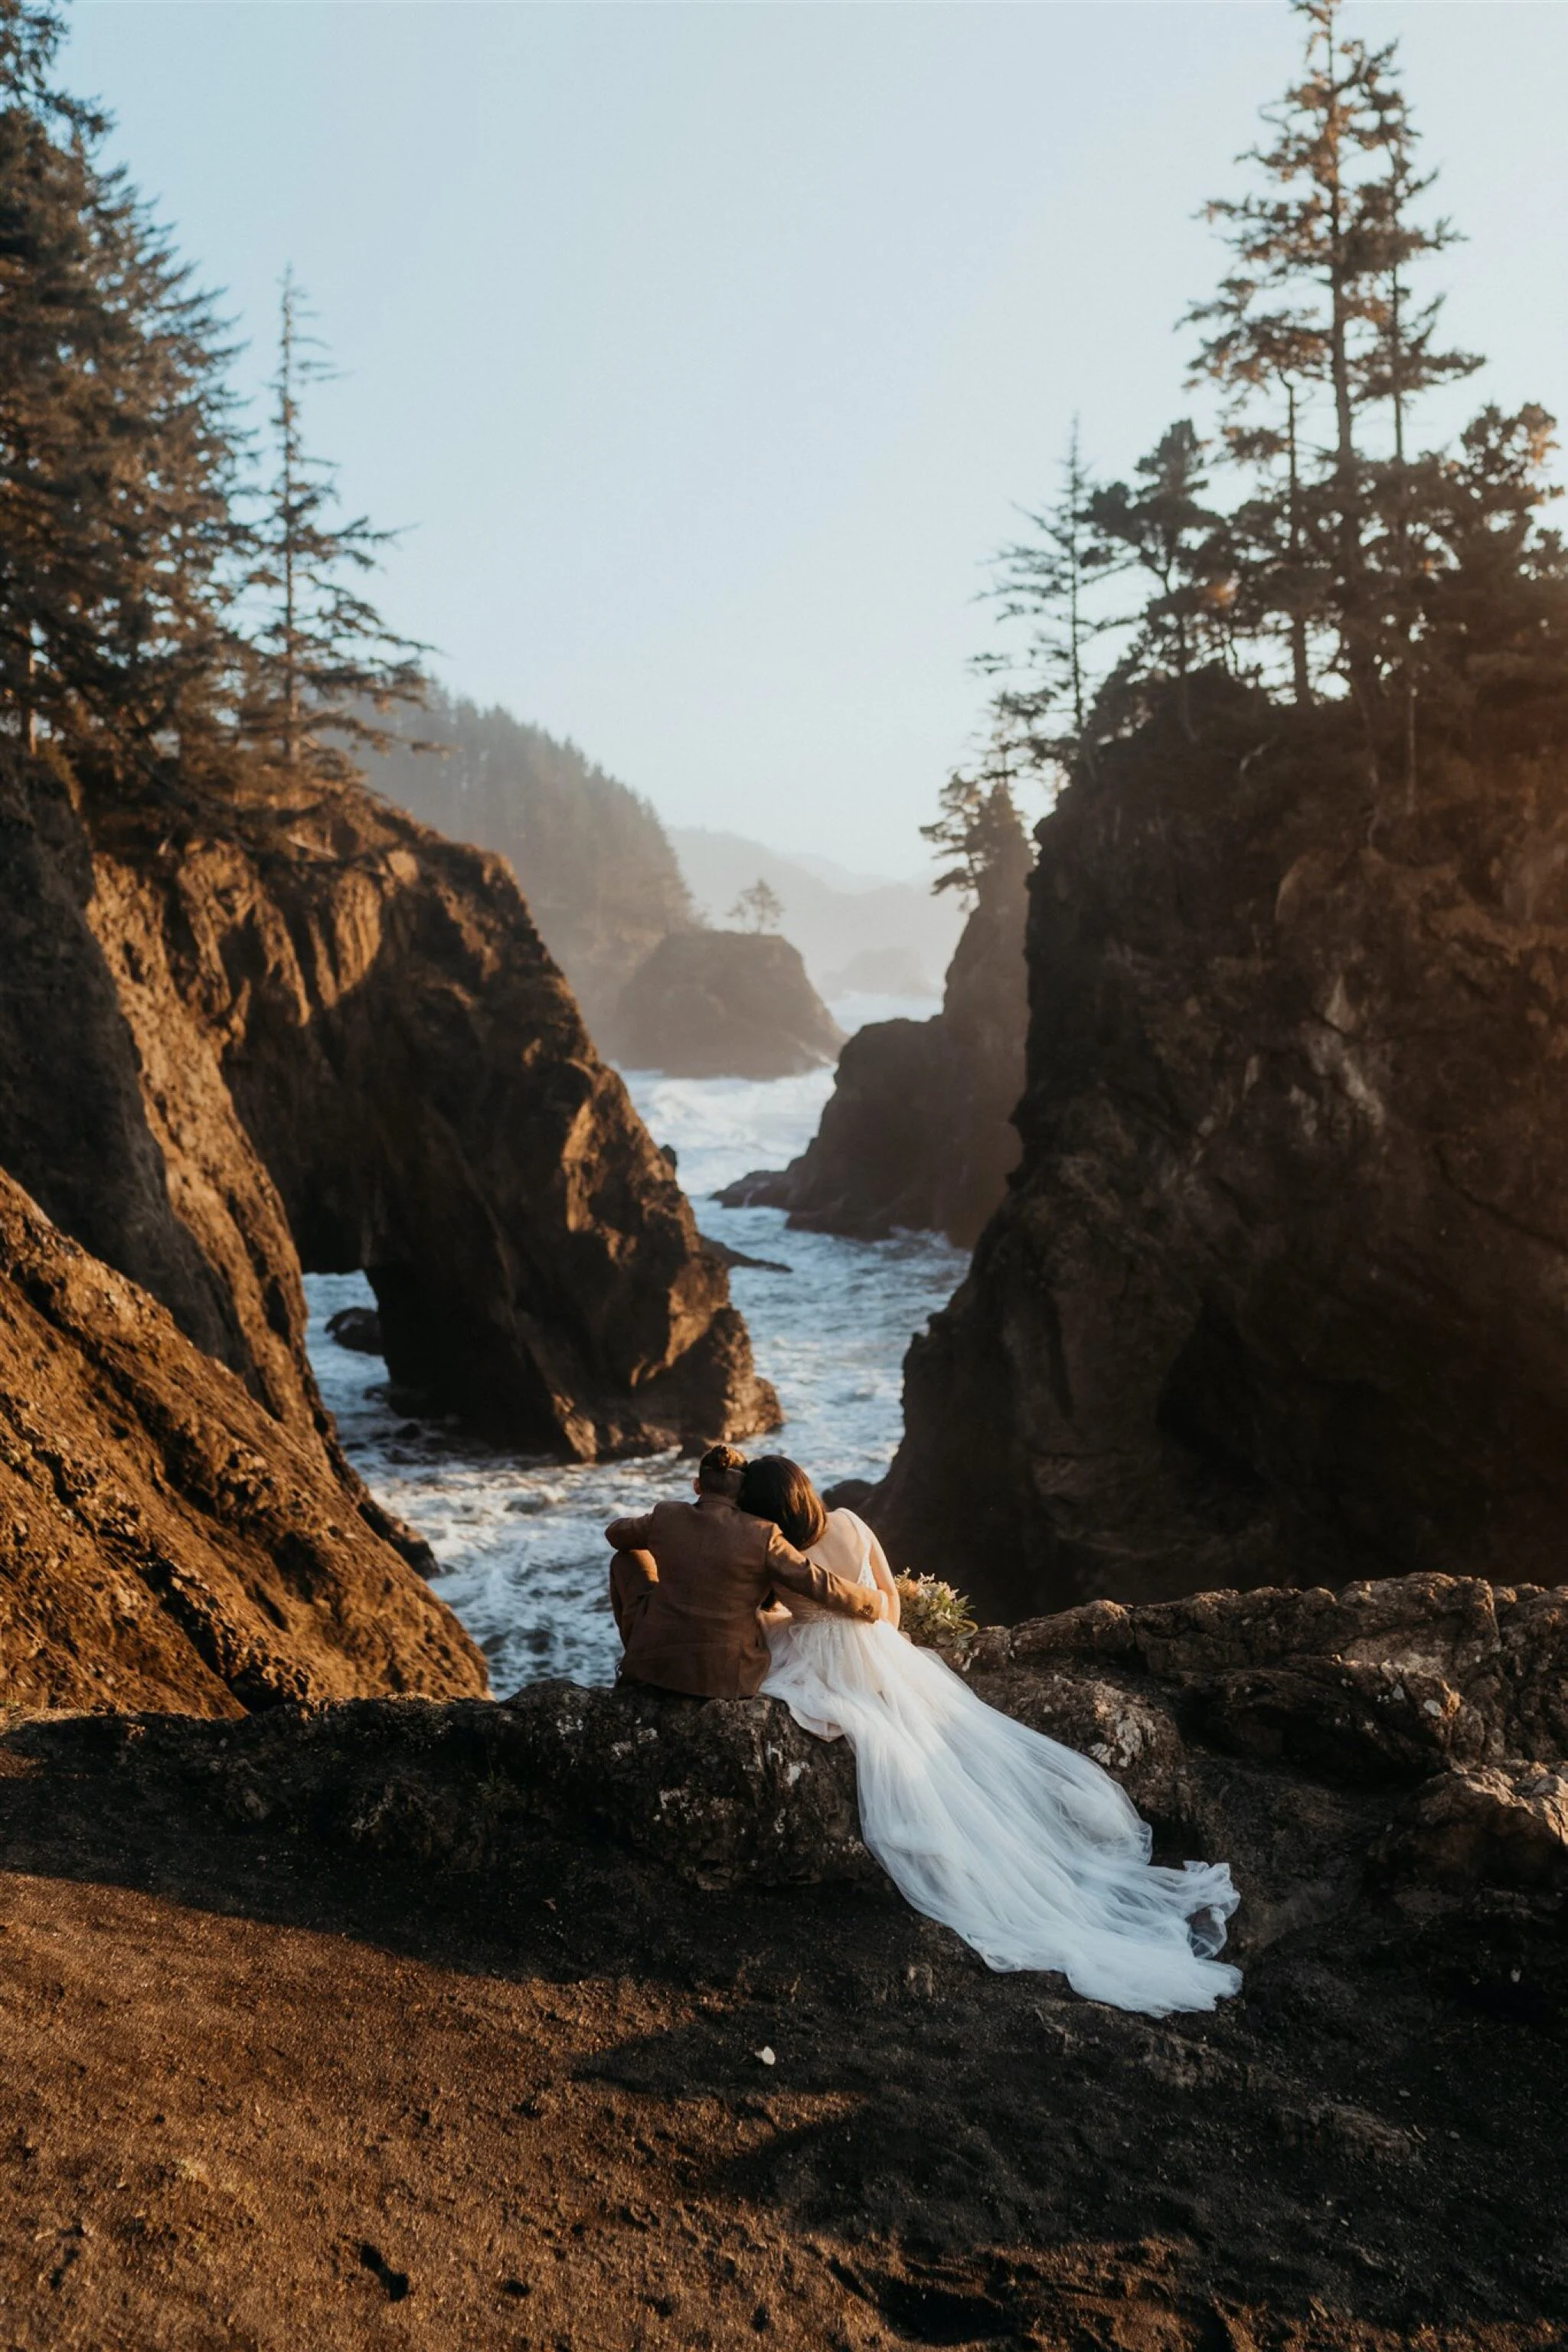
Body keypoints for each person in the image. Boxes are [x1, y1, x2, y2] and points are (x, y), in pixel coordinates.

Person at [740, 1453, 1241, 2019]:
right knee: (951, 1755)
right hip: (880, 1650)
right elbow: (892, 1601)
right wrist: (884, 1654)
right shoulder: (853, 1522)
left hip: (823, 1661)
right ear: (805, 1492)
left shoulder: (776, 1554)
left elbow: (760, 1610)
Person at [603, 1442, 881, 1701]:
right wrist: (870, 1602)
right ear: (741, 1493)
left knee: (627, 1558)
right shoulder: (762, 1534)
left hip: (654, 1665)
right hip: (727, 1678)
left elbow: (615, 1535)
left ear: (697, 1485)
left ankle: (638, 1650)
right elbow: (816, 1581)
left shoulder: (666, 1515)